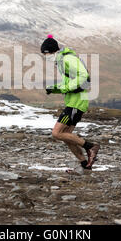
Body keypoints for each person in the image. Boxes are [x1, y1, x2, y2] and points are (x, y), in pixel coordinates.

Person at [41, 34, 100, 170]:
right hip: (73, 101)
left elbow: (83, 76)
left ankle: (91, 147)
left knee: (57, 133)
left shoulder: (68, 59)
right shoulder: (62, 61)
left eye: (46, 54)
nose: (46, 58)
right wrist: (55, 89)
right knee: (67, 136)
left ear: (51, 51)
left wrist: (65, 87)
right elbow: (70, 82)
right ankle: (85, 164)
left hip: (77, 102)